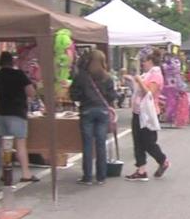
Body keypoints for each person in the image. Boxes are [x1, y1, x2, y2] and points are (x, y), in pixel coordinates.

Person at [69, 50, 117, 185]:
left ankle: (87, 176)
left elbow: (74, 95)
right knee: (101, 143)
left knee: (88, 144)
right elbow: (112, 96)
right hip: (102, 111)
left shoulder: (82, 76)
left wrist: (82, 98)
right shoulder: (107, 77)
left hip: (86, 111)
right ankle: (101, 176)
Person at [0, 51, 38, 183]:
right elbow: (31, 92)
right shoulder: (19, 74)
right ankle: (26, 174)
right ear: (12, 62)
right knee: (20, 144)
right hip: (17, 113)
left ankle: (5, 173)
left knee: (2, 145)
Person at [124, 48, 170, 181]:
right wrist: (134, 80)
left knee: (149, 142)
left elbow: (149, 92)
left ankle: (163, 160)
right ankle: (141, 169)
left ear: (150, 61)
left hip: (148, 113)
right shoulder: (147, 74)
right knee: (137, 141)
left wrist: (139, 81)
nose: (142, 64)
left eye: (144, 61)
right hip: (138, 111)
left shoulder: (156, 75)